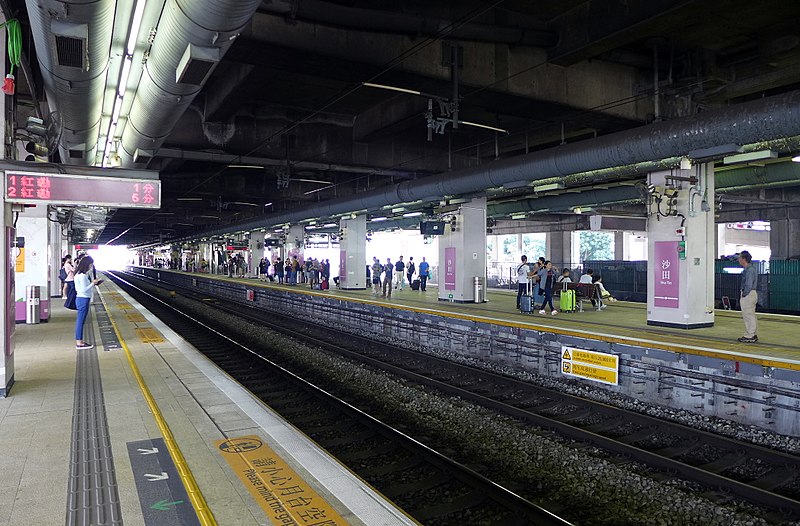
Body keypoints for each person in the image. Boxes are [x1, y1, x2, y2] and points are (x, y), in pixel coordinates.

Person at [74, 256, 103, 350]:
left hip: (81, 298)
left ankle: (79, 341)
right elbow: (84, 289)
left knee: (80, 321)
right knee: (80, 321)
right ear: (87, 264)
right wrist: (93, 283)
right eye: (91, 264)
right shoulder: (82, 276)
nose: (91, 266)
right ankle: (79, 343)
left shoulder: (78, 274)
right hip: (83, 299)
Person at [738, 251, 758, 343]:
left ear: (744, 259)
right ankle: (752, 333)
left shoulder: (749, 270)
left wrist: (744, 294)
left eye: (740, 258)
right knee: (750, 314)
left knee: (748, 315)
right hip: (751, 293)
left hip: (748, 294)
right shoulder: (750, 269)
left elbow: (748, 284)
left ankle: (750, 335)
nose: (739, 260)